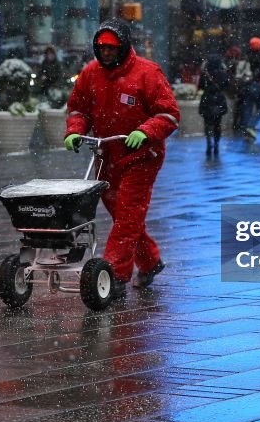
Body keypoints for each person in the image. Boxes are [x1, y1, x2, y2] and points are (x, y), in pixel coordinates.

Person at [64, 21, 179, 293]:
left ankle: (115, 275)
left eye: (111, 49)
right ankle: (149, 261)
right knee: (122, 214)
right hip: (106, 154)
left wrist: (146, 131)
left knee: (128, 215)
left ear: (123, 47)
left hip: (141, 157)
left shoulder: (147, 74)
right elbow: (78, 109)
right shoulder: (90, 74)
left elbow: (169, 114)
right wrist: (75, 131)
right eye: (101, 48)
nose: (105, 53)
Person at [236, 37, 260, 139]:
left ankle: (246, 129)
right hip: (256, 85)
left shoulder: (245, 56)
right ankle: (250, 126)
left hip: (246, 86)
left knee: (247, 108)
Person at [198, 54, 229, 157]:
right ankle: (216, 144)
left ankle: (208, 143)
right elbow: (226, 86)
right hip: (218, 100)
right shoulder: (222, 73)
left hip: (207, 99)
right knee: (217, 123)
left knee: (207, 123)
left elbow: (200, 86)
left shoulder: (205, 73)